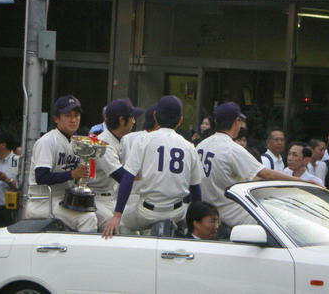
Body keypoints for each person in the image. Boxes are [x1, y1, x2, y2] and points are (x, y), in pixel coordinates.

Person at [196, 102, 312, 227]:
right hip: (231, 216)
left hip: (205, 212)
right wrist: (301, 181)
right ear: (236, 121)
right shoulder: (232, 148)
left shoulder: (201, 145)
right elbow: (265, 174)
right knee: (278, 222)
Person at [102, 96, 203, 238]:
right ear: (180, 119)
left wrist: (117, 216)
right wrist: (194, 220)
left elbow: (127, 179)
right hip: (177, 213)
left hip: (147, 212)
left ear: (155, 116)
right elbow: (196, 190)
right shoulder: (189, 146)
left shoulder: (143, 140)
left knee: (122, 223)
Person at [25, 95, 97, 232]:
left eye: (77, 115)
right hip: (42, 200)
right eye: (68, 115)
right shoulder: (47, 141)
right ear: (56, 118)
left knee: (98, 212)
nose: (74, 119)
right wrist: (72, 174)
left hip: (63, 199)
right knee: (88, 218)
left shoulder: (77, 142)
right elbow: (41, 177)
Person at [88, 98, 144, 231]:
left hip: (111, 198)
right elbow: (123, 176)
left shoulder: (121, 139)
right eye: (132, 118)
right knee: (121, 228)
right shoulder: (103, 143)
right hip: (97, 199)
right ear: (121, 120)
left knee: (136, 224)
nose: (134, 121)